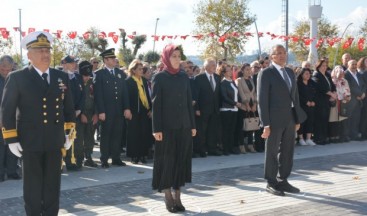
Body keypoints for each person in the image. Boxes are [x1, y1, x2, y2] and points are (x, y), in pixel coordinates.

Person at [0, 31, 75, 215]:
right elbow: (7, 110)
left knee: (52, 186)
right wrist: (11, 139)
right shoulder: (18, 77)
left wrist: (69, 134)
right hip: (29, 141)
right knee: (32, 188)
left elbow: (69, 109)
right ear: (29, 55)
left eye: (48, 50)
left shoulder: (61, 77)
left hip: (54, 140)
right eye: (40, 51)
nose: (46, 54)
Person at [151, 44, 196, 213]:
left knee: (181, 161)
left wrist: (192, 124)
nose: (178, 59)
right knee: (167, 162)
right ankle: (167, 195)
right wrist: (156, 129)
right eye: (174, 56)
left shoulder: (184, 77)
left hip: (184, 126)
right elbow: (156, 105)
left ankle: (178, 195)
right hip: (166, 128)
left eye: (179, 56)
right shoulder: (159, 77)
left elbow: (188, 101)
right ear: (166, 58)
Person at [257, 44, 306, 196]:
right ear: (271, 56)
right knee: (272, 151)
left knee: (288, 151)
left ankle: (283, 180)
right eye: (277, 53)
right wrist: (265, 124)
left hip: (290, 118)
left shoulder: (290, 72)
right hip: (273, 119)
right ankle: (271, 182)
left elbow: (295, 97)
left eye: (283, 53)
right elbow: (262, 100)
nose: (281, 55)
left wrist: (297, 118)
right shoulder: (266, 73)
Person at [94, 48, 131, 168]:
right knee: (106, 135)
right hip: (106, 111)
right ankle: (104, 159)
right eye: (112, 58)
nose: (115, 60)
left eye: (115, 58)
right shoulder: (99, 74)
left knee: (117, 134)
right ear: (105, 60)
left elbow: (124, 92)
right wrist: (101, 111)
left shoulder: (120, 73)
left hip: (119, 110)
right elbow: (98, 95)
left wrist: (127, 108)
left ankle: (116, 158)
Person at [125, 59, 152, 164]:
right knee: (133, 134)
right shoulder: (128, 81)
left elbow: (148, 96)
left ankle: (143, 154)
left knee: (144, 133)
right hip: (133, 111)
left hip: (144, 111)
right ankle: (134, 156)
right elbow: (126, 97)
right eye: (139, 69)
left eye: (142, 69)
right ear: (133, 70)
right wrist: (127, 109)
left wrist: (150, 109)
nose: (142, 71)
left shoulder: (144, 81)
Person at [194, 58, 222, 157]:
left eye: (215, 65)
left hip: (214, 109)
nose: (215, 67)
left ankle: (212, 149)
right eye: (212, 65)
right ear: (206, 67)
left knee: (212, 130)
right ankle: (201, 149)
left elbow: (218, 94)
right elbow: (196, 95)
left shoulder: (218, 77)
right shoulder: (199, 78)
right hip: (203, 109)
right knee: (202, 130)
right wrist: (196, 108)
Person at [62, 55, 84, 170]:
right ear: (64, 64)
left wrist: (79, 109)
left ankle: (73, 162)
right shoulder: (59, 77)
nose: (74, 65)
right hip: (64, 115)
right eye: (71, 63)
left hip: (77, 114)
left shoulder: (78, 77)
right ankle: (62, 163)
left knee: (75, 138)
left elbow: (82, 95)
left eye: (75, 63)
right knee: (63, 139)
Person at [0, 55, 20, 182]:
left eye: (8, 69)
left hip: (14, 118)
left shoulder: (16, 78)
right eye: (3, 69)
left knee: (12, 143)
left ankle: (12, 171)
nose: (6, 72)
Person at [77, 61, 98, 167]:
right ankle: (78, 159)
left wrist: (96, 113)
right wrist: (81, 114)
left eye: (89, 75)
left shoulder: (92, 83)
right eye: (85, 75)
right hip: (80, 114)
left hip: (91, 113)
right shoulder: (76, 82)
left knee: (90, 137)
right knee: (79, 138)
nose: (87, 78)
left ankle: (88, 157)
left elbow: (97, 99)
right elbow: (75, 101)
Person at [312, 59, 337, 144]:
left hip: (327, 101)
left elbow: (332, 85)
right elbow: (321, 88)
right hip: (320, 101)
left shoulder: (327, 74)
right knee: (320, 120)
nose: (324, 67)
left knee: (325, 119)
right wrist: (331, 94)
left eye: (326, 66)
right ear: (318, 66)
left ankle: (324, 137)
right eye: (322, 65)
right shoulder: (316, 75)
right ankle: (318, 138)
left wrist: (334, 93)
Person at [218, 64, 242, 155]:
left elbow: (237, 94)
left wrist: (239, 102)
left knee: (232, 130)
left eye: (230, 70)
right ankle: (225, 149)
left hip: (235, 109)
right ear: (224, 73)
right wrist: (235, 103)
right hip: (226, 109)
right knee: (226, 130)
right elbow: (224, 97)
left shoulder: (232, 82)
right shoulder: (223, 83)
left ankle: (231, 147)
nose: (230, 72)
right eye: (228, 71)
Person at [236, 63, 258, 153]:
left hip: (252, 104)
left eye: (249, 69)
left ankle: (250, 145)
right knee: (242, 126)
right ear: (242, 71)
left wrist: (255, 104)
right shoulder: (239, 80)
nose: (249, 71)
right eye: (247, 69)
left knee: (251, 125)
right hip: (244, 106)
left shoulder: (251, 80)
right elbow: (241, 93)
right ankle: (241, 146)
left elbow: (254, 93)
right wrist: (247, 105)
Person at [344, 59, 366, 140]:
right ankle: (348, 135)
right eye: (352, 64)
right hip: (351, 100)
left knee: (357, 118)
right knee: (349, 118)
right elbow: (349, 86)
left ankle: (355, 135)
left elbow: (364, 85)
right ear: (348, 65)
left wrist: (363, 93)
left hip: (359, 100)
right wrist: (359, 94)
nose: (354, 66)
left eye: (355, 64)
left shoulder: (359, 74)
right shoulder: (346, 74)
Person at [329, 66, 351, 143]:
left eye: (342, 73)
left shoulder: (344, 81)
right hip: (335, 102)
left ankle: (343, 136)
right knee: (334, 120)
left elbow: (347, 89)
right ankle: (334, 136)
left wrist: (347, 96)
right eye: (339, 73)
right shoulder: (332, 81)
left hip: (343, 102)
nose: (341, 75)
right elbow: (332, 91)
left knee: (343, 120)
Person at [297, 68, 317, 146]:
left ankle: (308, 138)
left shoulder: (311, 83)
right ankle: (301, 138)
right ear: (302, 75)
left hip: (311, 106)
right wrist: (306, 102)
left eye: (309, 74)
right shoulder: (298, 84)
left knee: (310, 121)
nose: (308, 75)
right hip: (302, 106)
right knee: (302, 122)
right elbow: (298, 95)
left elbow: (315, 93)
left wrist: (314, 101)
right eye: (306, 74)